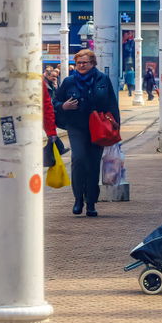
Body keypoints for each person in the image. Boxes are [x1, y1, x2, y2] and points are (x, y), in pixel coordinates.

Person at [53, 49, 120, 218]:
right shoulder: (68, 81)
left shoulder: (102, 80)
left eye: (85, 63)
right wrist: (63, 106)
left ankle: (91, 202)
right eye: (78, 63)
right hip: (76, 126)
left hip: (98, 127)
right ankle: (78, 199)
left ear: (93, 64)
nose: (81, 66)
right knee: (79, 159)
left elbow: (112, 102)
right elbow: (55, 102)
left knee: (93, 163)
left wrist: (116, 125)